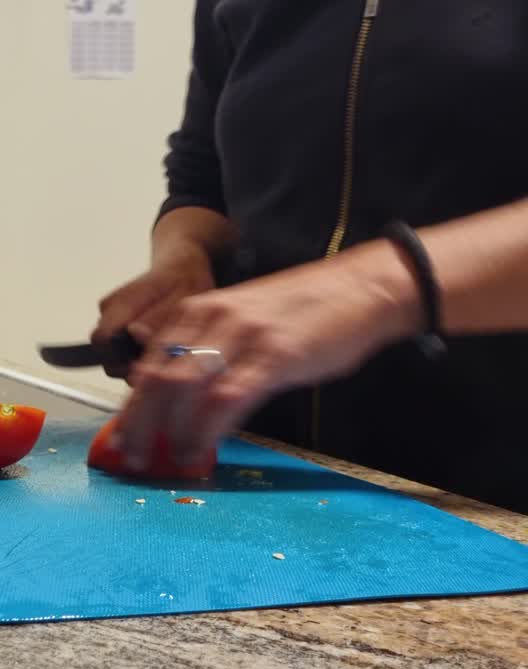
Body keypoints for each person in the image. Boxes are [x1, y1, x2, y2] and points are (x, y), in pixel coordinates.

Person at [91, 1, 528, 513]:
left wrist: (378, 287)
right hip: (268, 477)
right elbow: (201, 177)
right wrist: (185, 259)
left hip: (493, 495)